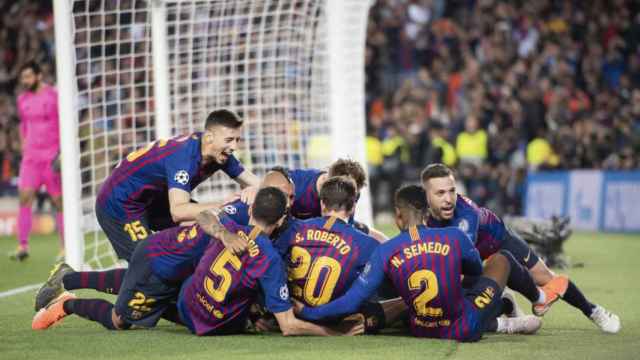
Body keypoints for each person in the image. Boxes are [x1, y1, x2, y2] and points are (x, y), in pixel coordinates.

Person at [295, 185, 542, 341]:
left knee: (400, 299)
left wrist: (307, 312)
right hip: (465, 327)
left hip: (419, 328)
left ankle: (503, 316)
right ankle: (524, 307)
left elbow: (353, 300)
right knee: (502, 260)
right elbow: (476, 271)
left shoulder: (387, 250)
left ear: (398, 216)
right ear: (427, 213)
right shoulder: (454, 236)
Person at [421, 163, 620, 333]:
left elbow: (463, 262)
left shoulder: (465, 217)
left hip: (499, 240)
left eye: (452, 191)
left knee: (547, 279)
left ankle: (593, 311)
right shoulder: (420, 215)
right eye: (440, 193)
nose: (449, 198)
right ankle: (506, 303)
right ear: (426, 195)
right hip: (472, 252)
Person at [95, 109, 259, 262]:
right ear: (209, 138)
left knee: (209, 227)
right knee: (149, 266)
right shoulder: (183, 158)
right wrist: (224, 205)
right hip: (121, 203)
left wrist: (257, 191)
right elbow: (179, 211)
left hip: (156, 201)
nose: (234, 147)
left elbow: (258, 185)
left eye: (237, 140)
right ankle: (73, 279)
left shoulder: (219, 153)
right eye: (229, 140)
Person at [281, 176, 379, 308]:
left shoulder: (294, 228)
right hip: (335, 319)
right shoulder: (368, 244)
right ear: (353, 207)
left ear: (322, 203)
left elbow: (268, 263)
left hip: (290, 311)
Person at [10, 61, 64, 261]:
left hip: (52, 157)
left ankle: (65, 247)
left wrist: (62, 152)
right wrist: (24, 146)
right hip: (31, 158)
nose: (25, 81)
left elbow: (63, 122)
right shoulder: (22, 99)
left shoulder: (53, 96)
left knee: (59, 202)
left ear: (39, 76)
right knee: (24, 198)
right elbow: (24, 125)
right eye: (23, 77)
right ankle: (23, 246)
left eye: (28, 77)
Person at [288, 158, 388, 242]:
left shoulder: (352, 192)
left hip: (326, 228)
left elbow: (341, 229)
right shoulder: (294, 184)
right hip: (290, 232)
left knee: (381, 240)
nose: (350, 196)